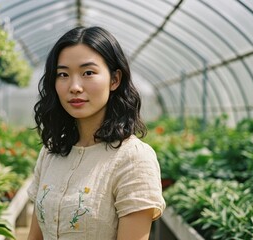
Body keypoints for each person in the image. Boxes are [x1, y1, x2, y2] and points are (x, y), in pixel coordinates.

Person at [28, 26, 165, 240]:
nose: (74, 86)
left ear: (114, 79)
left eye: (88, 73)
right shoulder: (51, 153)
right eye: (63, 74)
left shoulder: (133, 158)